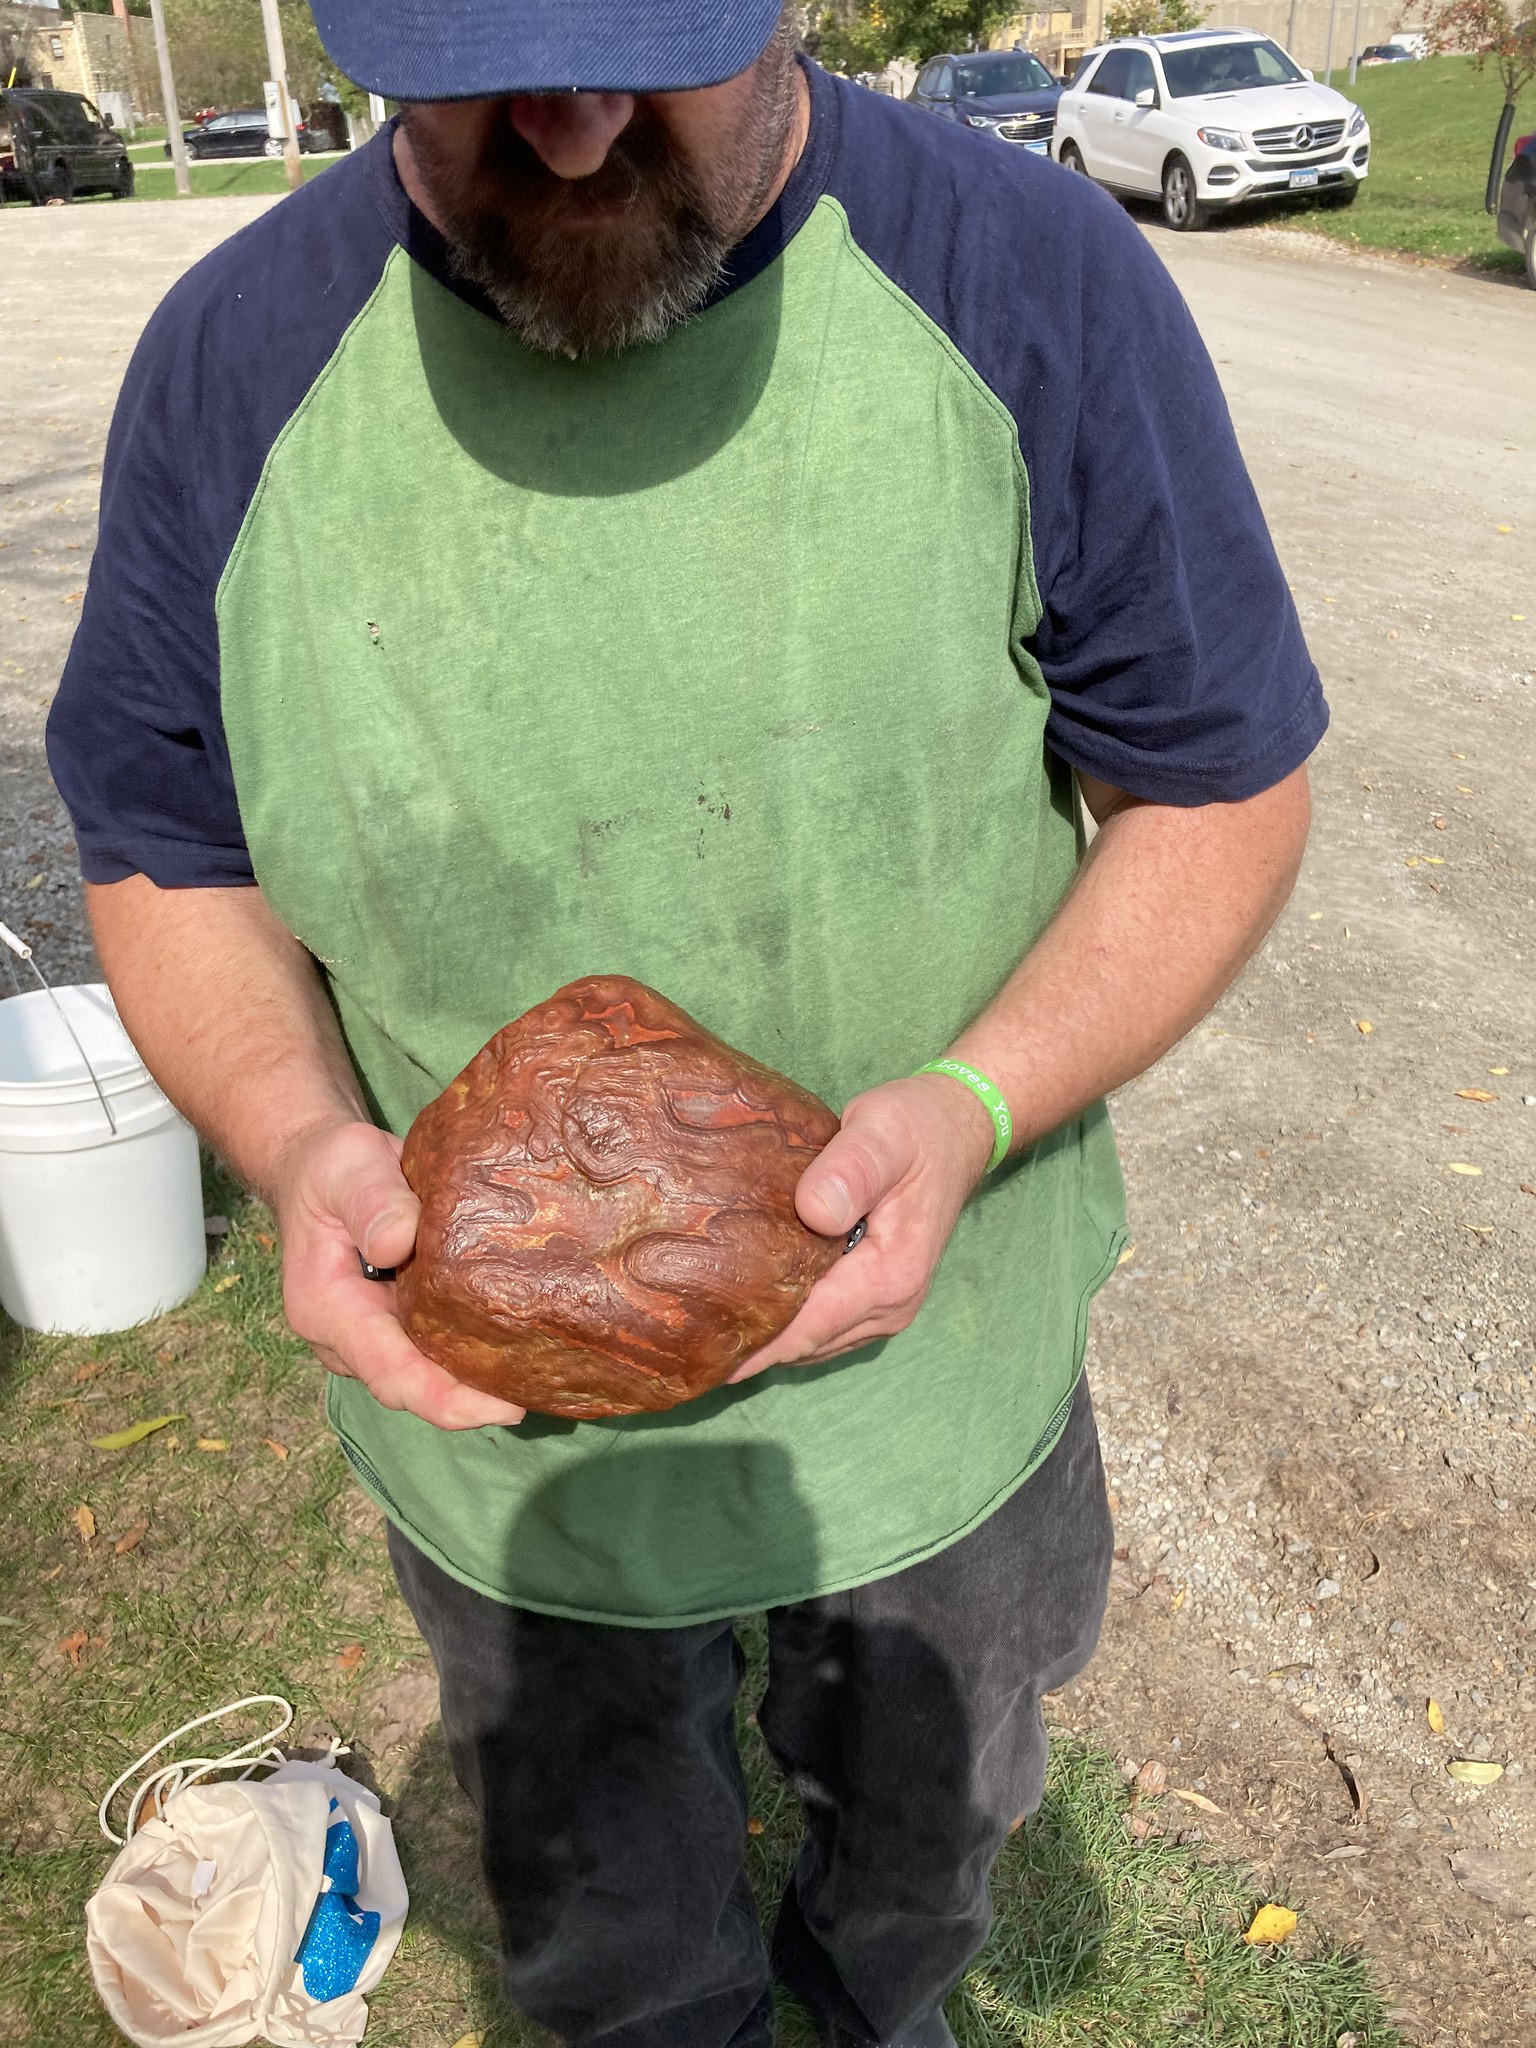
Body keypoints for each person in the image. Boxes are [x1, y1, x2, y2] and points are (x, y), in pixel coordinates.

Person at [46, 1, 1324, 2041]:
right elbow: (162, 844)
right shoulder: (234, 362)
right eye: (479, 65)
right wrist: (294, 1139)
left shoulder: (1026, 280)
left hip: (938, 1387)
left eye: (645, 45)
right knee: (616, 1953)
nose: (565, 137)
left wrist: (980, 1103)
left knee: (917, 1878)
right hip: (504, 1460)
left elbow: (1218, 781)